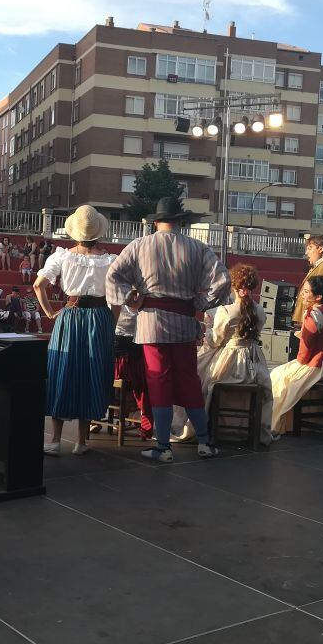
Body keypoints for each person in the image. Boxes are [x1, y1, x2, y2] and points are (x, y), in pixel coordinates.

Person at [106, 196, 230, 462]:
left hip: (151, 323)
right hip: (185, 321)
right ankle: (204, 442)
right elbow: (223, 280)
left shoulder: (139, 245)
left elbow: (113, 276)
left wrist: (130, 298)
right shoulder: (198, 248)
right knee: (189, 380)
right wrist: (199, 302)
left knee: (158, 380)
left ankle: (163, 447)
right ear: (180, 221)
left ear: (156, 221)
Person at [34, 205, 116, 456]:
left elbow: (39, 285)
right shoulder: (111, 260)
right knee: (91, 373)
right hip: (100, 317)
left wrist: (49, 313)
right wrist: (110, 324)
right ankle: (82, 442)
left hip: (70, 316)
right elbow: (118, 298)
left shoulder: (62, 257)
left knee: (63, 369)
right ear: (99, 232)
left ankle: (56, 440)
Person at [174, 264, 274, 443]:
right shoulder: (260, 311)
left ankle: (204, 427)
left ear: (234, 286)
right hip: (254, 363)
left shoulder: (226, 311)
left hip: (230, 361)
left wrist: (209, 327)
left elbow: (215, 341)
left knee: (200, 379)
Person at [270, 276, 323, 435]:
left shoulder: (313, 315)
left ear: (318, 297)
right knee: (282, 373)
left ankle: (277, 423)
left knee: (278, 376)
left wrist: (298, 362)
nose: (302, 294)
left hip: (317, 365)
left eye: (306, 292)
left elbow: (305, 352)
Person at [112, 307, 153, 441]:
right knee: (141, 383)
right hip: (130, 346)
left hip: (127, 345)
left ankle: (96, 418)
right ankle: (140, 420)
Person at [292, 234, 323, 326]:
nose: (307, 253)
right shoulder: (322, 265)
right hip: (314, 320)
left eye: (310, 248)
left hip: (316, 322)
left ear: (320, 249)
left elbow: (321, 296)